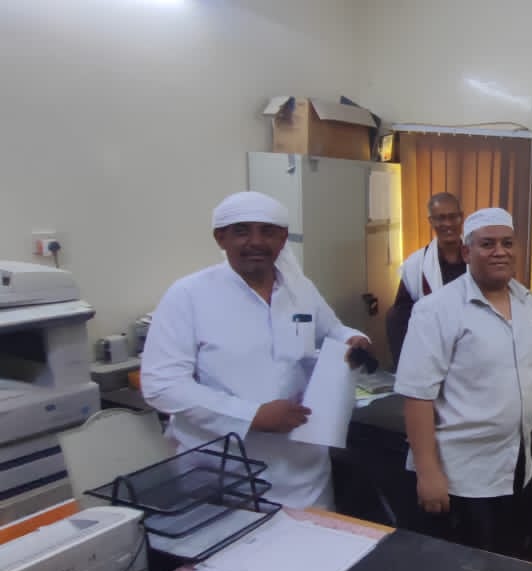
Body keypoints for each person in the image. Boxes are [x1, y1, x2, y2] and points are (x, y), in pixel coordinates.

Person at [142, 190, 371, 509]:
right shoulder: (189, 295)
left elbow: (333, 330)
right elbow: (162, 385)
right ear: (220, 238)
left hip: (304, 472)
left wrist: (354, 338)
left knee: (314, 541)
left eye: (268, 232)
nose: (256, 242)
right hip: (223, 473)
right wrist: (251, 416)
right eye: (241, 231)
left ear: (283, 238)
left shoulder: (300, 289)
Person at [395, 207, 532, 561]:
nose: (500, 251)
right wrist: (427, 472)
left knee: (515, 562)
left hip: (517, 469)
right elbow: (417, 396)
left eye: (507, 243)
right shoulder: (437, 310)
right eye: (487, 244)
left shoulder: (525, 302)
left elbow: (530, 367)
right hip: (463, 479)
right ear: (467, 252)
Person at [386, 192, 467, 367]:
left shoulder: (478, 258)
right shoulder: (416, 264)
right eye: (440, 218)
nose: (447, 224)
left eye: (453, 217)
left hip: (472, 345)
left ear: (461, 218)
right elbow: (400, 315)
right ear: (431, 221)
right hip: (432, 348)